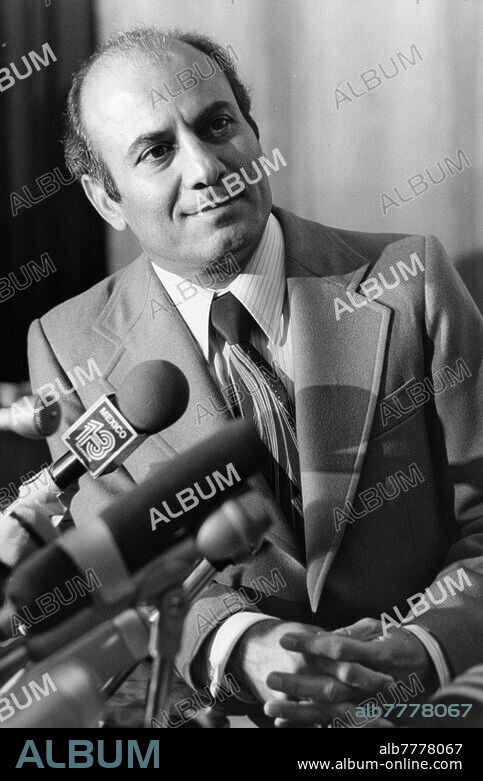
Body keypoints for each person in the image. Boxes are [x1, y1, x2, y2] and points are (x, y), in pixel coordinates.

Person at [27, 28, 483, 727]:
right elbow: (122, 578)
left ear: (251, 129)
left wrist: (420, 645)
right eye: (155, 150)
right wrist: (241, 646)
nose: (208, 167)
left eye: (216, 125)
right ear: (106, 199)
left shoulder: (411, 281)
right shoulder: (65, 345)